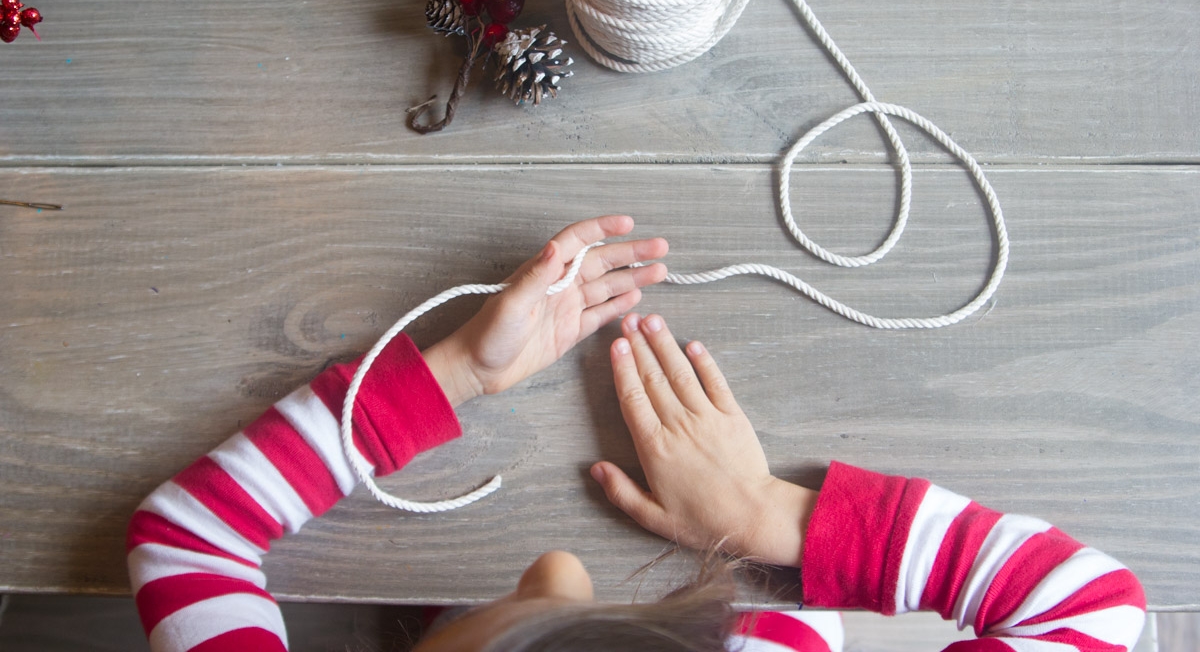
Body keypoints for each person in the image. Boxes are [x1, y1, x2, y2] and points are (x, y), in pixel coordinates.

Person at [126, 216, 1146, 652]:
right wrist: (768, 515)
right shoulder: (771, 637)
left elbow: (187, 538)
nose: (559, 564)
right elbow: (1092, 607)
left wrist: (451, 374)